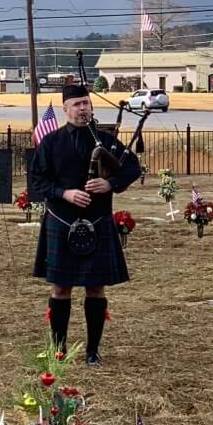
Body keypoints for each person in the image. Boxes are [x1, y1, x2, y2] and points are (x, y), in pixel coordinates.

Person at [28, 81, 140, 364]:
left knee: (95, 286)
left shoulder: (104, 140)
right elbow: (37, 181)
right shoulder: (51, 142)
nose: (83, 109)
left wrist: (110, 183)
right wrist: (64, 193)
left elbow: (132, 167)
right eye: (77, 104)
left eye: (86, 104)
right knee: (60, 288)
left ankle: (92, 351)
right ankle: (59, 349)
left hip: (97, 218)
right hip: (61, 220)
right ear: (66, 109)